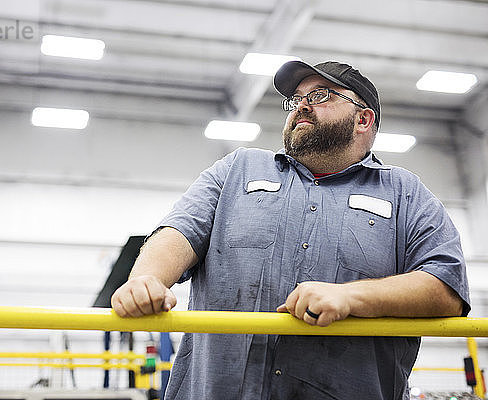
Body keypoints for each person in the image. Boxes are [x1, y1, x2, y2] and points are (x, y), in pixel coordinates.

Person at [111, 60, 470, 400]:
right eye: (296, 99)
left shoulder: (405, 193)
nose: (301, 106)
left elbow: (446, 286)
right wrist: (147, 278)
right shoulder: (238, 170)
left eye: (320, 96)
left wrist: (350, 298)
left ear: (363, 119)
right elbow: (180, 231)